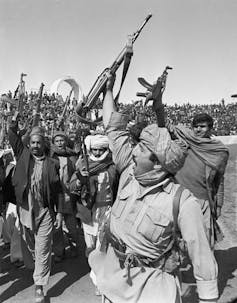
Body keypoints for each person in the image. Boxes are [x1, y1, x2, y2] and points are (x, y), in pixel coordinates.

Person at [88, 75, 219, 303]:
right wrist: (108, 90)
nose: (135, 151)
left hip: (149, 290)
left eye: (142, 148)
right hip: (112, 279)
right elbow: (113, 128)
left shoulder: (182, 203)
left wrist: (208, 298)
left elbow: (202, 256)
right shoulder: (130, 170)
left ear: (158, 162)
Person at [8, 114, 64, 303]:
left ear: (43, 144)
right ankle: (37, 266)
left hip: (45, 211)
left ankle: (39, 285)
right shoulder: (23, 156)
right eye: (32, 142)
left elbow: (58, 191)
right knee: (30, 244)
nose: (35, 146)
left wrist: (59, 214)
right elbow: (14, 138)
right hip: (26, 210)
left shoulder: (51, 164)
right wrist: (13, 123)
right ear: (29, 144)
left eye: (39, 143)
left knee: (43, 247)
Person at [166, 113, 229, 248]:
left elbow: (219, 181)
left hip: (203, 201)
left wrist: (218, 206)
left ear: (210, 128)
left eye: (202, 126)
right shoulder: (185, 142)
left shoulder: (218, 151)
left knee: (204, 242)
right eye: (195, 126)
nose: (198, 130)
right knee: (177, 240)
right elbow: (167, 128)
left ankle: (206, 267)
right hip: (180, 199)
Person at [70, 132, 118, 294]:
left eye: (101, 149)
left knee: (102, 245)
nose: (97, 153)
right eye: (95, 150)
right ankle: (95, 268)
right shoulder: (82, 164)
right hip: (87, 210)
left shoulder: (112, 166)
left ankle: (99, 280)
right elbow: (72, 187)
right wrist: (79, 179)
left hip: (107, 210)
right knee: (90, 246)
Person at [51, 131, 80, 261]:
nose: (60, 143)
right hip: (56, 197)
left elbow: (77, 173)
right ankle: (59, 252)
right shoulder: (50, 157)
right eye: (57, 141)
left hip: (69, 196)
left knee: (71, 226)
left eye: (62, 140)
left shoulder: (72, 156)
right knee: (57, 228)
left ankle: (73, 246)